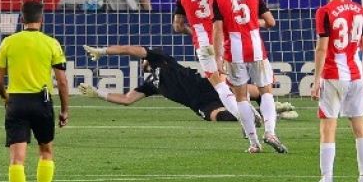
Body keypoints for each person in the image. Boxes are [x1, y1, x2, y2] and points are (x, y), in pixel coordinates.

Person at [0, 0, 70, 182]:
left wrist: (6, 98)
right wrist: (65, 110)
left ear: (22, 18)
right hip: (41, 102)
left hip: (16, 102)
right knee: (46, 151)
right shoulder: (51, 43)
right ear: (41, 18)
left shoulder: (9, 42)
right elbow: (62, 82)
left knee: (17, 159)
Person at [79, 45, 299, 122]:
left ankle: (270, 104)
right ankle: (270, 115)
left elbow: (129, 49)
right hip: (199, 104)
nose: (142, 61)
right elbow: (127, 99)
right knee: (217, 117)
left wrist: (103, 51)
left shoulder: (160, 58)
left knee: (238, 89)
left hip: (206, 85)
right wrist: (98, 93)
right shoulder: (151, 84)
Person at [304, 0, 363, 182]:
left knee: (328, 129)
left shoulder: (324, 11)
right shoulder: (359, 10)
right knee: (360, 128)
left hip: (333, 76)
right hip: (356, 76)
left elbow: (322, 48)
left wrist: (316, 80)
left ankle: (327, 181)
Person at [212, 0, 286, 154]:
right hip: (256, 48)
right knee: (266, 91)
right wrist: (252, 23)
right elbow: (270, 22)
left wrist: (218, 58)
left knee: (241, 97)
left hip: (234, 51)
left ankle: (254, 143)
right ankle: (270, 132)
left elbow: (218, 31)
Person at [172, 0, 241, 122]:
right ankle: (252, 115)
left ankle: (246, 116)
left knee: (221, 86)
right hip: (222, 42)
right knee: (234, 82)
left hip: (202, 44)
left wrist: (191, 31)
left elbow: (177, 26)